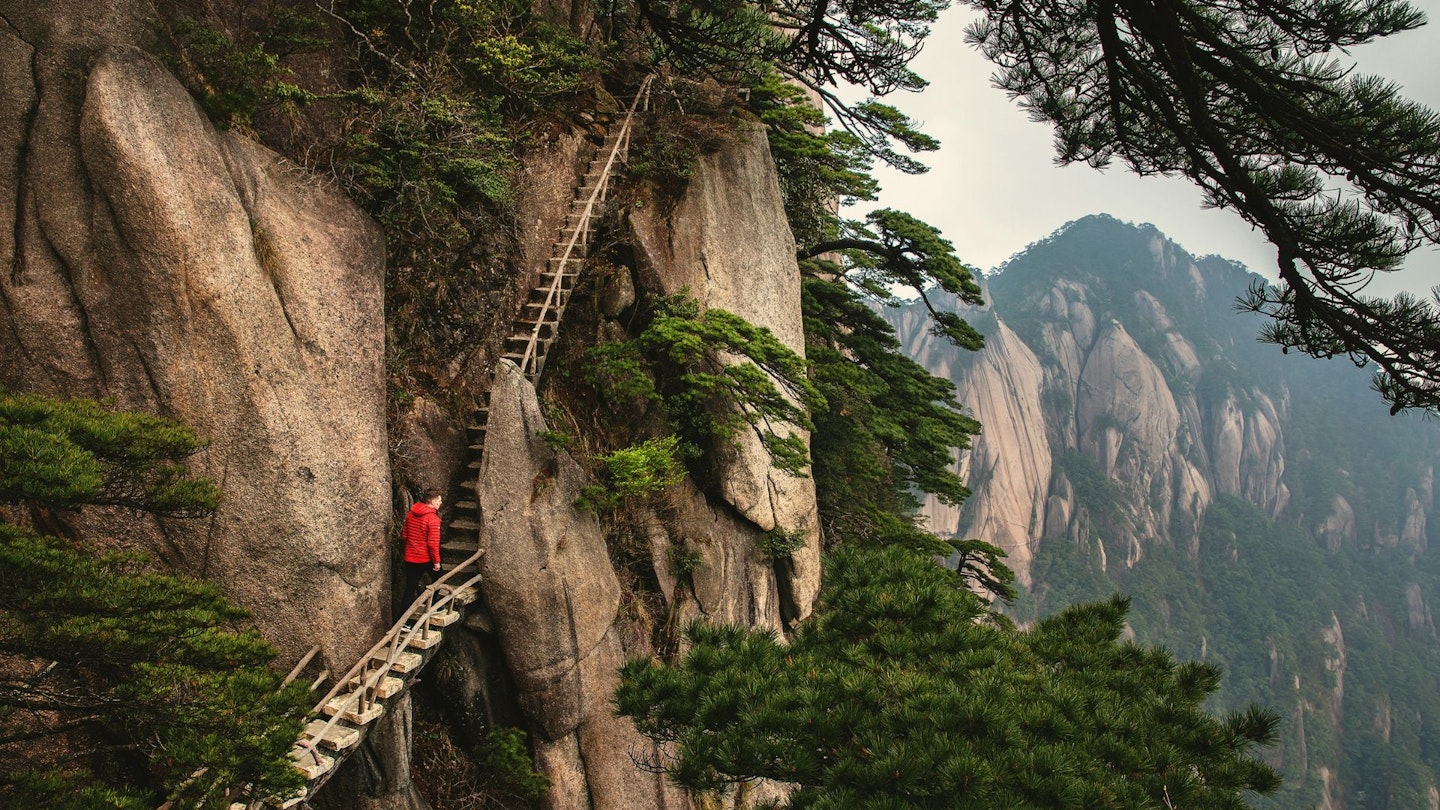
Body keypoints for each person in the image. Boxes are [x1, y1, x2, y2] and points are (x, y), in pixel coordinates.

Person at [400, 488, 443, 612]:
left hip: (410, 558)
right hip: (425, 558)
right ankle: (434, 604)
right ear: (433, 501)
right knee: (439, 577)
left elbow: (404, 536)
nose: (441, 503)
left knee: (409, 588)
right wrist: (436, 562)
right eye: (439, 500)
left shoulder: (410, 514)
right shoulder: (433, 519)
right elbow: (432, 544)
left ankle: (404, 622)